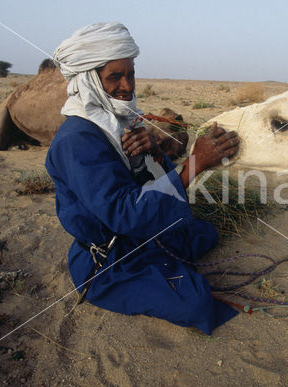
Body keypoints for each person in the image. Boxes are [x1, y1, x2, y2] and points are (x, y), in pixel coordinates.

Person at [45, 22, 240, 335]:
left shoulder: (117, 120)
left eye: (130, 74)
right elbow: (124, 213)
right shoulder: (77, 140)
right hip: (109, 258)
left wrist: (153, 153)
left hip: (138, 236)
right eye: (114, 77)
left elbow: (153, 182)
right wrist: (194, 164)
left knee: (204, 233)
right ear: (90, 79)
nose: (126, 86)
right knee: (198, 303)